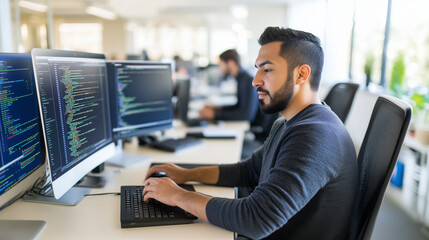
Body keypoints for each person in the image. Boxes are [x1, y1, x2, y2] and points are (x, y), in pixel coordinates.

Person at [143, 27, 358, 239]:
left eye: (267, 69)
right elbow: (249, 171)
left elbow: (256, 219)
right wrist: (186, 174)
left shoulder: (315, 134)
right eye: (257, 69)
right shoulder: (288, 123)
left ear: (302, 74)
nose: (255, 80)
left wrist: (179, 196)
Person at [199, 49, 258, 121]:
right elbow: (239, 107)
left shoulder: (248, 81)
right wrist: (218, 108)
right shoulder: (242, 78)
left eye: (221, 64)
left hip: (253, 128)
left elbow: (246, 115)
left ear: (231, 63)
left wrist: (214, 115)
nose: (220, 68)